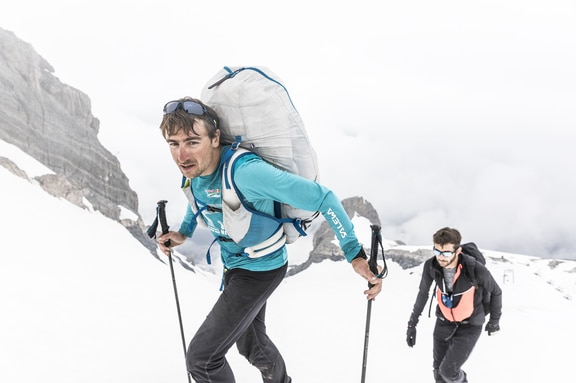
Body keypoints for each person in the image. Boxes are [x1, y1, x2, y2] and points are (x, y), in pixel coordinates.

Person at [155, 97, 383, 383]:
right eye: (173, 144)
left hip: (259, 271)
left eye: (192, 141)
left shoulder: (247, 173)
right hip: (235, 266)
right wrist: (184, 233)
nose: (181, 155)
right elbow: (197, 198)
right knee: (250, 343)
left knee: (202, 359)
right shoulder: (195, 172)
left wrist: (355, 254)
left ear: (215, 139)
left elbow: (324, 198)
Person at [405, 227, 502, 383]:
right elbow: (423, 294)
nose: (441, 258)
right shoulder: (431, 266)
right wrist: (412, 324)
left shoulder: (475, 269)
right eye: (437, 252)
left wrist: (494, 321)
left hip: (470, 325)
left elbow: (497, 292)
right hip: (443, 322)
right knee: (438, 374)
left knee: (448, 371)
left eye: (446, 253)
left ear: (457, 251)